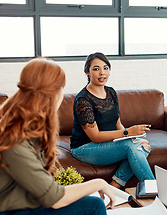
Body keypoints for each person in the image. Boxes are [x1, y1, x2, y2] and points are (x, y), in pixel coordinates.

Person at [0, 58, 115, 214]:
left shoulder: (27, 126)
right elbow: (55, 199)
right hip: (11, 211)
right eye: (61, 89)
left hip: (26, 203)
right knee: (94, 205)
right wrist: (99, 183)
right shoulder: (15, 140)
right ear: (52, 94)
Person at [71, 52, 155, 189]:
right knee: (131, 145)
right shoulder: (83, 100)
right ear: (87, 72)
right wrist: (128, 133)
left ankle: (115, 184)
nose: (102, 73)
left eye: (105, 68)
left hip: (108, 143)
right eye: (96, 69)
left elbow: (117, 123)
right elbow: (96, 136)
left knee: (143, 145)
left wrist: (133, 137)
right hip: (84, 148)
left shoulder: (111, 92)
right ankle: (153, 190)